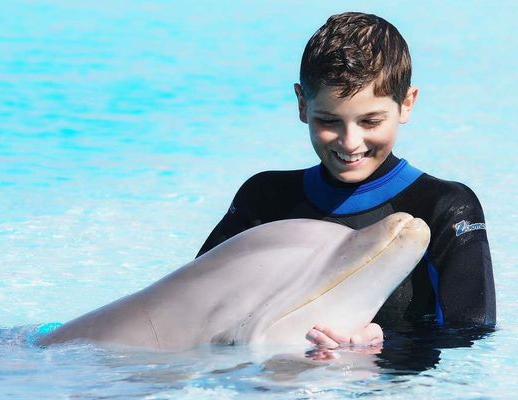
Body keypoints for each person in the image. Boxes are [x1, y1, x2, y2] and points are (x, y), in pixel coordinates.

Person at [196, 12, 496, 349]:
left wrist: (381, 347)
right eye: (329, 120)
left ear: (407, 104)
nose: (350, 142)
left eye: (370, 121)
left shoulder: (444, 206)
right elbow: (191, 306)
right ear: (301, 104)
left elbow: (471, 332)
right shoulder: (264, 199)